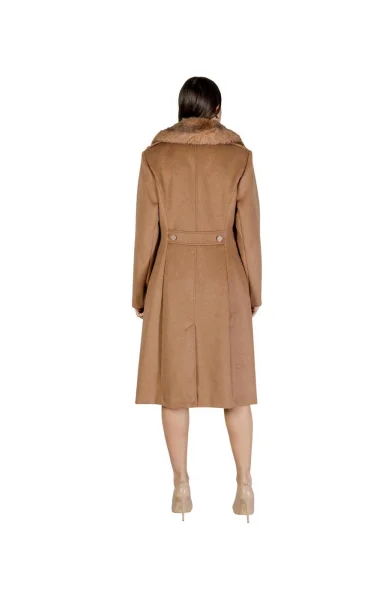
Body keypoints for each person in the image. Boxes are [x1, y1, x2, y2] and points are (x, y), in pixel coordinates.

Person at [132, 76, 262, 522]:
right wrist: (254, 291)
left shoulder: (154, 158)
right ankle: (244, 485)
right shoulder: (239, 158)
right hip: (226, 278)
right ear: (217, 111)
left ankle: (181, 487)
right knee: (236, 389)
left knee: (173, 390)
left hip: (171, 277)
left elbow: (145, 234)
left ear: (182, 109)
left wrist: (140, 291)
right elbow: (250, 234)